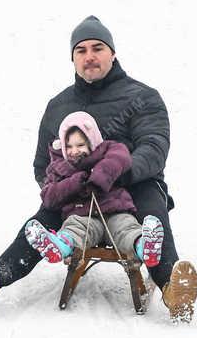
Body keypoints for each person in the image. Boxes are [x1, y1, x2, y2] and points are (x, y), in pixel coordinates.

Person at [0, 17, 197, 321]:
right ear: (73, 58)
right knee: (43, 218)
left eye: (98, 48)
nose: (89, 56)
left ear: (112, 53)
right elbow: (42, 163)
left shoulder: (142, 97)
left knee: (151, 213)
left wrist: (119, 174)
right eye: (81, 50)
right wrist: (61, 185)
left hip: (132, 183)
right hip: (79, 188)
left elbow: (154, 147)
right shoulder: (59, 105)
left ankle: (174, 289)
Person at [24, 112, 164, 269]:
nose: (74, 151)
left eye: (80, 145)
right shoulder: (60, 167)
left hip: (115, 211)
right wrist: (75, 182)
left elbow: (120, 157)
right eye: (69, 146)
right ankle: (59, 247)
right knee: (74, 229)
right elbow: (49, 196)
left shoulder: (107, 150)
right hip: (83, 216)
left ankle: (145, 246)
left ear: (92, 141)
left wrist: (99, 176)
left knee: (127, 229)